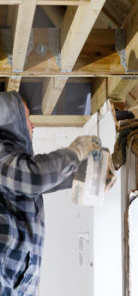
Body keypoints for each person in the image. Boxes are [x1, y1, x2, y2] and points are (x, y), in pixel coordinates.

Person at [0, 91, 101, 295]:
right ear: (13, 119)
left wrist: (92, 174)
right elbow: (34, 176)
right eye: (26, 116)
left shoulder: (11, 163)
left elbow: (42, 182)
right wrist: (76, 152)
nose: (32, 124)